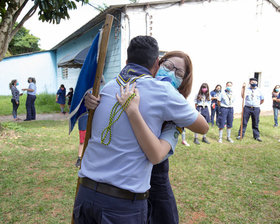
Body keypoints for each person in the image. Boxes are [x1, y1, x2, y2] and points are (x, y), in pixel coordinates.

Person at [73, 36, 208, 224]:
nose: (170, 73)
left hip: (91, 193)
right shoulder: (109, 91)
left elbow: (159, 154)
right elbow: (203, 127)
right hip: (122, 200)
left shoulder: (110, 87)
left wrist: (173, 120)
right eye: (168, 66)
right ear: (156, 64)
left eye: (178, 72)